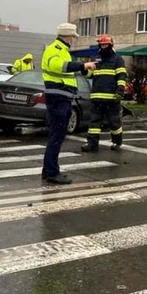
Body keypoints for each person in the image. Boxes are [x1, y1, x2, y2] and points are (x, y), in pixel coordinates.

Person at [41, 23, 96, 185]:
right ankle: (52, 172)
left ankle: (48, 169)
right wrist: (82, 65)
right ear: (67, 36)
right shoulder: (55, 49)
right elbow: (59, 66)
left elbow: (70, 70)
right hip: (58, 98)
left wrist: (87, 69)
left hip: (62, 98)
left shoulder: (63, 51)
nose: (73, 39)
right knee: (56, 136)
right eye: (72, 36)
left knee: (56, 135)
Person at [81, 34, 127, 153]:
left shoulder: (118, 60)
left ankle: (117, 142)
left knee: (114, 122)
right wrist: (83, 69)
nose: (103, 47)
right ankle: (92, 144)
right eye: (102, 45)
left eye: (105, 44)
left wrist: (120, 92)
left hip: (112, 98)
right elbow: (90, 75)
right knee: (94, 123)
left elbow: (121, 77)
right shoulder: (97, 59)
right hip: (97, 97)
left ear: (111, 45)